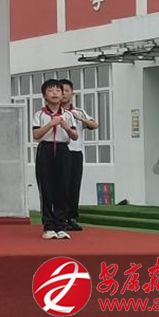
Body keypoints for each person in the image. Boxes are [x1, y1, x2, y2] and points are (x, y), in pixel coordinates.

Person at [33, 79, 78, 240]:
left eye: (58, 91)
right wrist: (51, 124)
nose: (55, 93)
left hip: (63, 150)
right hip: (45, 150)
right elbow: (36, 135)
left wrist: (66, 127)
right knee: (46, 188)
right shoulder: (39, 114)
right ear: (44, 95)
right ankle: (48, 226)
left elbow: (75, 136)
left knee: (63, 188)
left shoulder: (68, 115)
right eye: (51, 91)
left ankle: (61, 226)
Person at [59, 78, 98, 232]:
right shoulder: (56, 112)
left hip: (76, 153)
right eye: (61, 91)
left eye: (66, 91)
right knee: (62, 186)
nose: (63, 94)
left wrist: (79, 117)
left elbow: (94, 124)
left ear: (72, 93)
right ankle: (61, 217)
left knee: (74, 185)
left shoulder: (79, 111)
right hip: (62, 152)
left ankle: (72, 217)